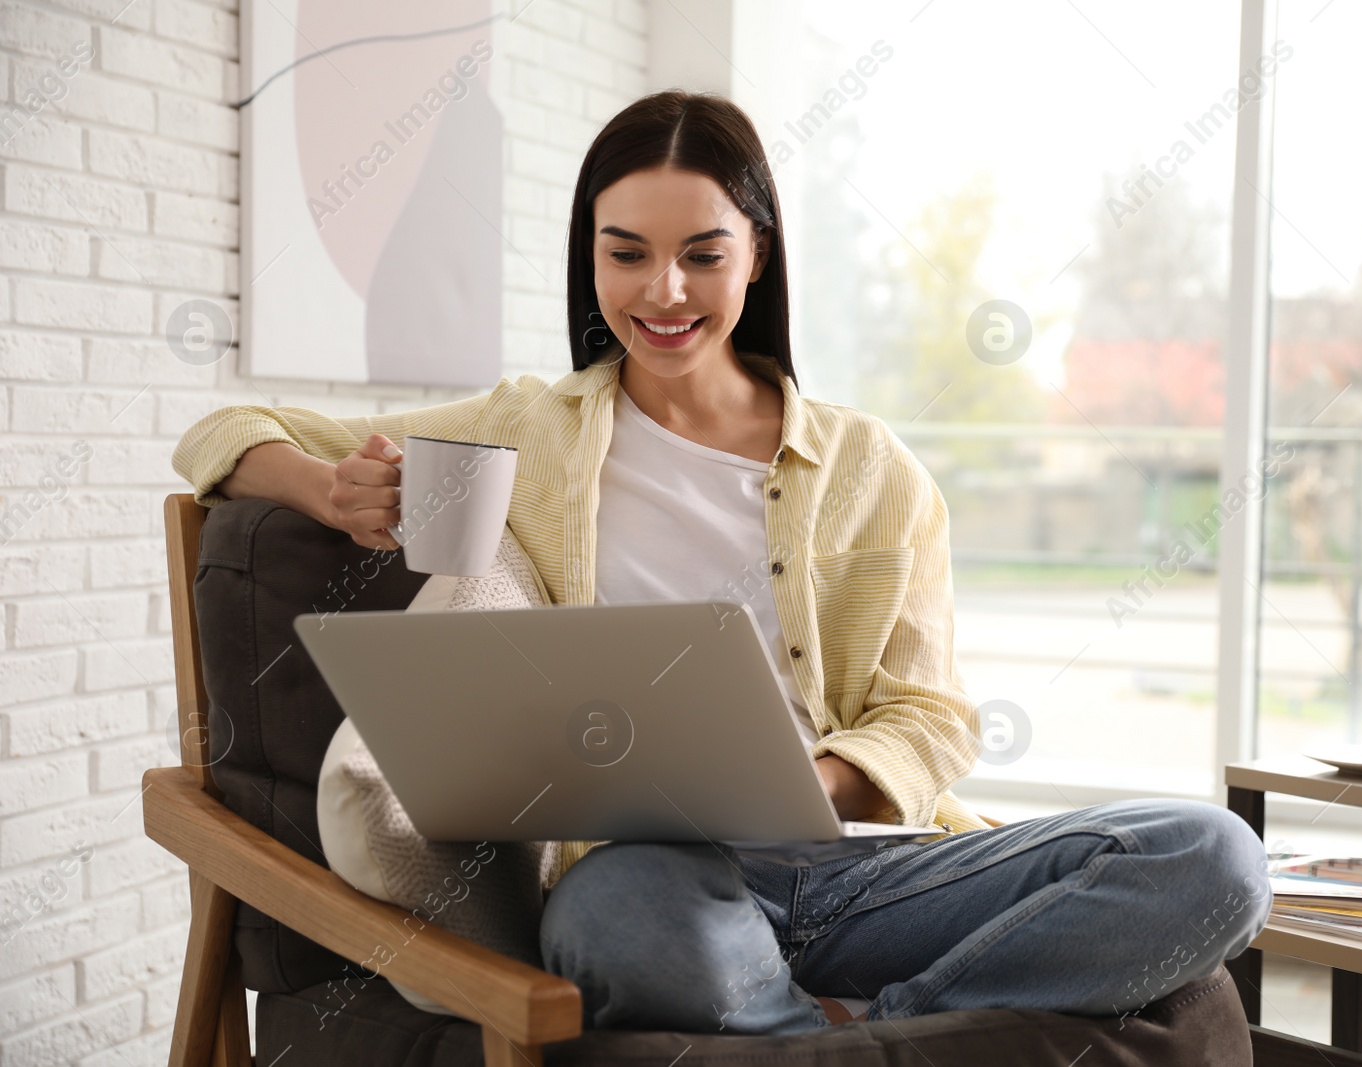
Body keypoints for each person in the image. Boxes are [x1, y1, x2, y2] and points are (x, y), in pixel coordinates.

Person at [173, 89, 1270, 1036]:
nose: (664, 292)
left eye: (702, 253)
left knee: (1211, 856)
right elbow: (225, 431)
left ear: (756, 253)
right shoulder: (529, 430)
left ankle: (837, 1032)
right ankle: (874, 1025)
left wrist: (805, 781)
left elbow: (932, 717)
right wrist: (325, 487)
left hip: (867, 864)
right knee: (606, 924)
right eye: (626, 254)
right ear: (588, 256)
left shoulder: (869, 466)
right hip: (655, 871)